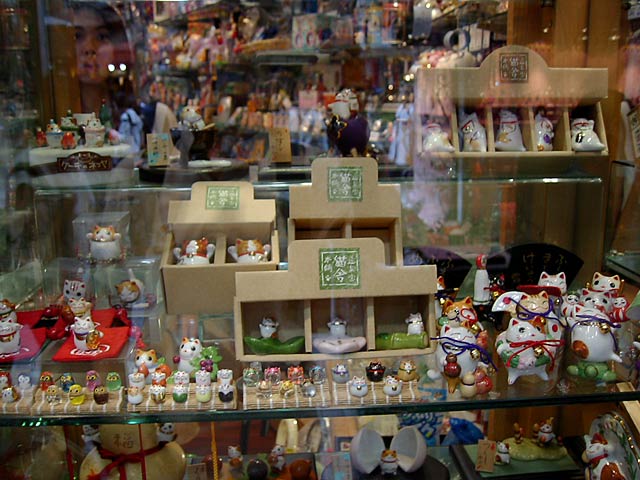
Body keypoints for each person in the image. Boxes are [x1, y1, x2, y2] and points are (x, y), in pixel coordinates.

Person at [72, 1, 131, 114]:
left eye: (101, 37)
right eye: (77, 36)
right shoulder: (50, 114)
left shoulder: (148, 116)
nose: (89, 48)